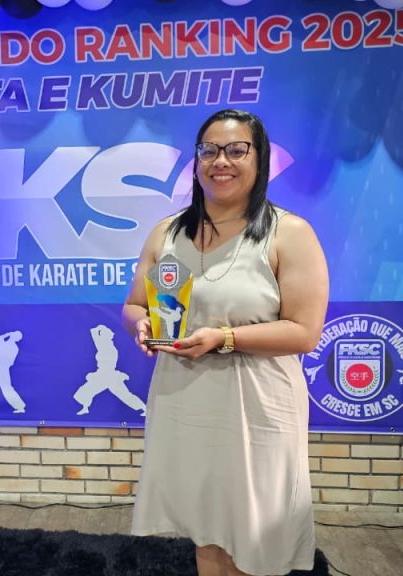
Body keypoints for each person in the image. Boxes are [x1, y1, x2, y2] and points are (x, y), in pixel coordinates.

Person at [123, 109, 328, 576]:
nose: (221, 161)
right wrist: (141, 325)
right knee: (207, 522)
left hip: (258, 404)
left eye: (237, 150)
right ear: (196, 161)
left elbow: (304, 331)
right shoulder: (167, 233)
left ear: (260, 159)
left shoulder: (289, 233)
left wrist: (225, 338)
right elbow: (134, 305)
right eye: (209, 150)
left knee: (257, 531)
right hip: (185, 399)